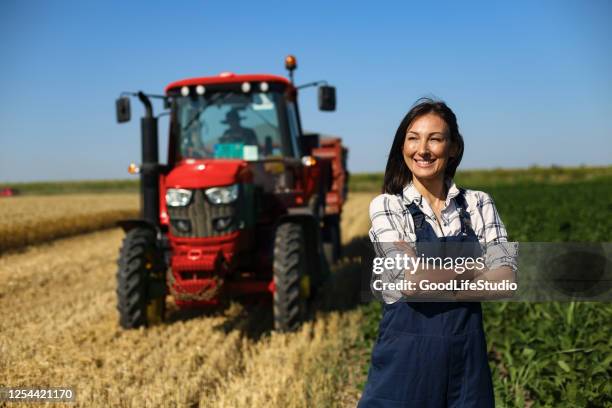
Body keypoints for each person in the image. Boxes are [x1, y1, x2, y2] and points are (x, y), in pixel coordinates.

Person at [358, 98, 516, 407]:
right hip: (405, 366)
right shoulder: (388, 206)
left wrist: (432, 276)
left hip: (466, 367)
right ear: (402, 146)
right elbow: (411, 282)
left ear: (453, 147)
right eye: (413, 138)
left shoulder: (479, 204)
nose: (423, 149)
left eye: (435, 138)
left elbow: (506, 279)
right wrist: (474, 267)